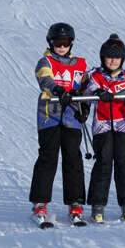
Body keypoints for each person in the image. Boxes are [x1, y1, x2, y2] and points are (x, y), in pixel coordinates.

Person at [29, 22, 88, 227]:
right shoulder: (45, 61)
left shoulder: (80, 64)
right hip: (49, 116)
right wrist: (58, 91)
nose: (61, 47)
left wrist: (85, 105)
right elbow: (44, 80)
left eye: (65, 43)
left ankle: (75, 203)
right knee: (48, 157)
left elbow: (85, 87)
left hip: (71, 116)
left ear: (71, 44)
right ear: (50, 43)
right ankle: (40, 203)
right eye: (57, 43)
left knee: (73, 158)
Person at [80, 34, 125, 223]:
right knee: (104, 162)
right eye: (109, 56)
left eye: (117, 56)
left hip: (123, 125)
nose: (113, 60)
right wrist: (98, 93)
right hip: (103, 125)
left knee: (124, 163)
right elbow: (88, 91)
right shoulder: (96, 76)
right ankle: (97, 205)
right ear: (102, 58)